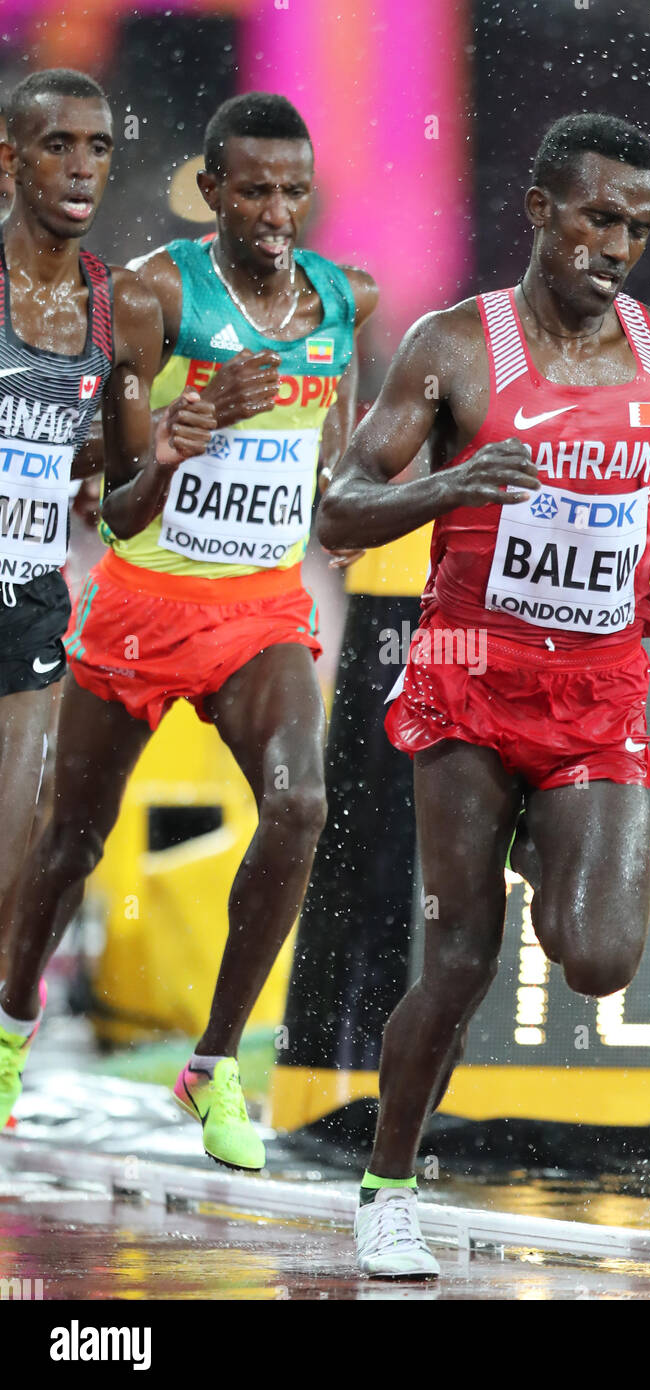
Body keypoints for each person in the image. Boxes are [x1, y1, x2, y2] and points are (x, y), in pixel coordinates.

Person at [318, 113, 650, 1276]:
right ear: (540, 210)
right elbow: (341, 510)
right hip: (467, 680)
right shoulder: (454, 347)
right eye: (598, 218)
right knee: (458, 962)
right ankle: (390, 1185)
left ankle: (540, 835)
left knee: (597, 958)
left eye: (639, 227)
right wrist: (453, 479)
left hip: (599, 684)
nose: (617, 246)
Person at [0, 91, 378, 1172]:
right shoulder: (155, 296)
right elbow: (118, 508)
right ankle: (11, 1026)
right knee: (69, 839)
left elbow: (335, 468)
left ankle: (213, 1066)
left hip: (259, 606)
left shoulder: (339, 303)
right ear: (211, 190)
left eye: (293, 191)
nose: (274, 211)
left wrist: (348, 515)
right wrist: (183, 434)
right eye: (252, 190)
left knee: (299, 802)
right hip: (139, 602)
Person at [0, 67, 214, 1088]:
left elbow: (113, 465)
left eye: (97, 149)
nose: (81, 168)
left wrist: (155, 450)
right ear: (9, 159)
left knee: (18, 845)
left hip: (30, 593)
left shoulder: (115, 304)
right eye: (57, 146)